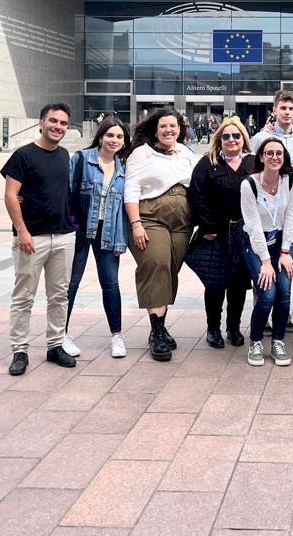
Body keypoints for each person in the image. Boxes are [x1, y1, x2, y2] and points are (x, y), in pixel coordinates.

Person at [1, 102, 78, 376]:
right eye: (53, 121)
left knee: (59, 296)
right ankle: (19, 350)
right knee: (24, 297)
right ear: (41, 123)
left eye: (63, 123)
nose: (58, 127)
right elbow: (11, 195)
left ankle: (55, 345)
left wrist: (72, 228)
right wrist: (22, 231)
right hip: (32, 238)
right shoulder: (23, 155)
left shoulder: (65, 155)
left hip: (63, 236)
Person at [124, 107, 195, 362]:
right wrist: (136, 224)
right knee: (156, 265)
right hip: (150, 217)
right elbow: (131, 189)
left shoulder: (185, 153)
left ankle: (161, 326)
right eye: (163, 126)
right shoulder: (141, 154)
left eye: (173, 126)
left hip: (182, 222)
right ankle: (156, 333)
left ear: (180, 129)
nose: (168, 130)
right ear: (155, 130)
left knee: (170, 270)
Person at [63, 117, 131, 360]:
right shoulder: (81, 159)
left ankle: (117, 336)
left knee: (111, 284)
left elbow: (124, 208)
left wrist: (121, 240)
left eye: (119, 136)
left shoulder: (124, 167)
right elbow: (66, 193)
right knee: (70, 284)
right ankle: (61, 334)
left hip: (108, 232)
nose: (114, 140)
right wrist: (72, 227)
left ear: (124, 141)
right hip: (80, 231)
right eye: (110, 135)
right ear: (101, 136)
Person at [188, 116, 256, 349]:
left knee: (239, 284)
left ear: (243, 138)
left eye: (236, 135)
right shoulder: (208, 163)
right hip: (216, 233)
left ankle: (233, 327)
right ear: (219, 139)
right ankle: (213, 328)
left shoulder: (253, 162)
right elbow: (196, 195)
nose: (231, 140)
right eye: (226, 136)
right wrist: (207, 227)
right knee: (215, 283)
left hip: (244, 234)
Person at [242, 137, 293, 367]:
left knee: (284, 292)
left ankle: (278, 341)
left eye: (279, 153)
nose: (274, 157)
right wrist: (266, 261)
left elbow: (292, 215)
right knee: (267, 293)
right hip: (256, 242)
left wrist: (285, 251)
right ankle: (256, 341)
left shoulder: (290, 179)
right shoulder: (249, 184)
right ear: (261, 157)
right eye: (269, 153)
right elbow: (253, 225)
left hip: (283, 242)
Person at [251, 89, 293, 180]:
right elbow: (250, 167)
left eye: (291, 109)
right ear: (274, 110)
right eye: (283, 108)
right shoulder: (260, 138)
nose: (287, 112)